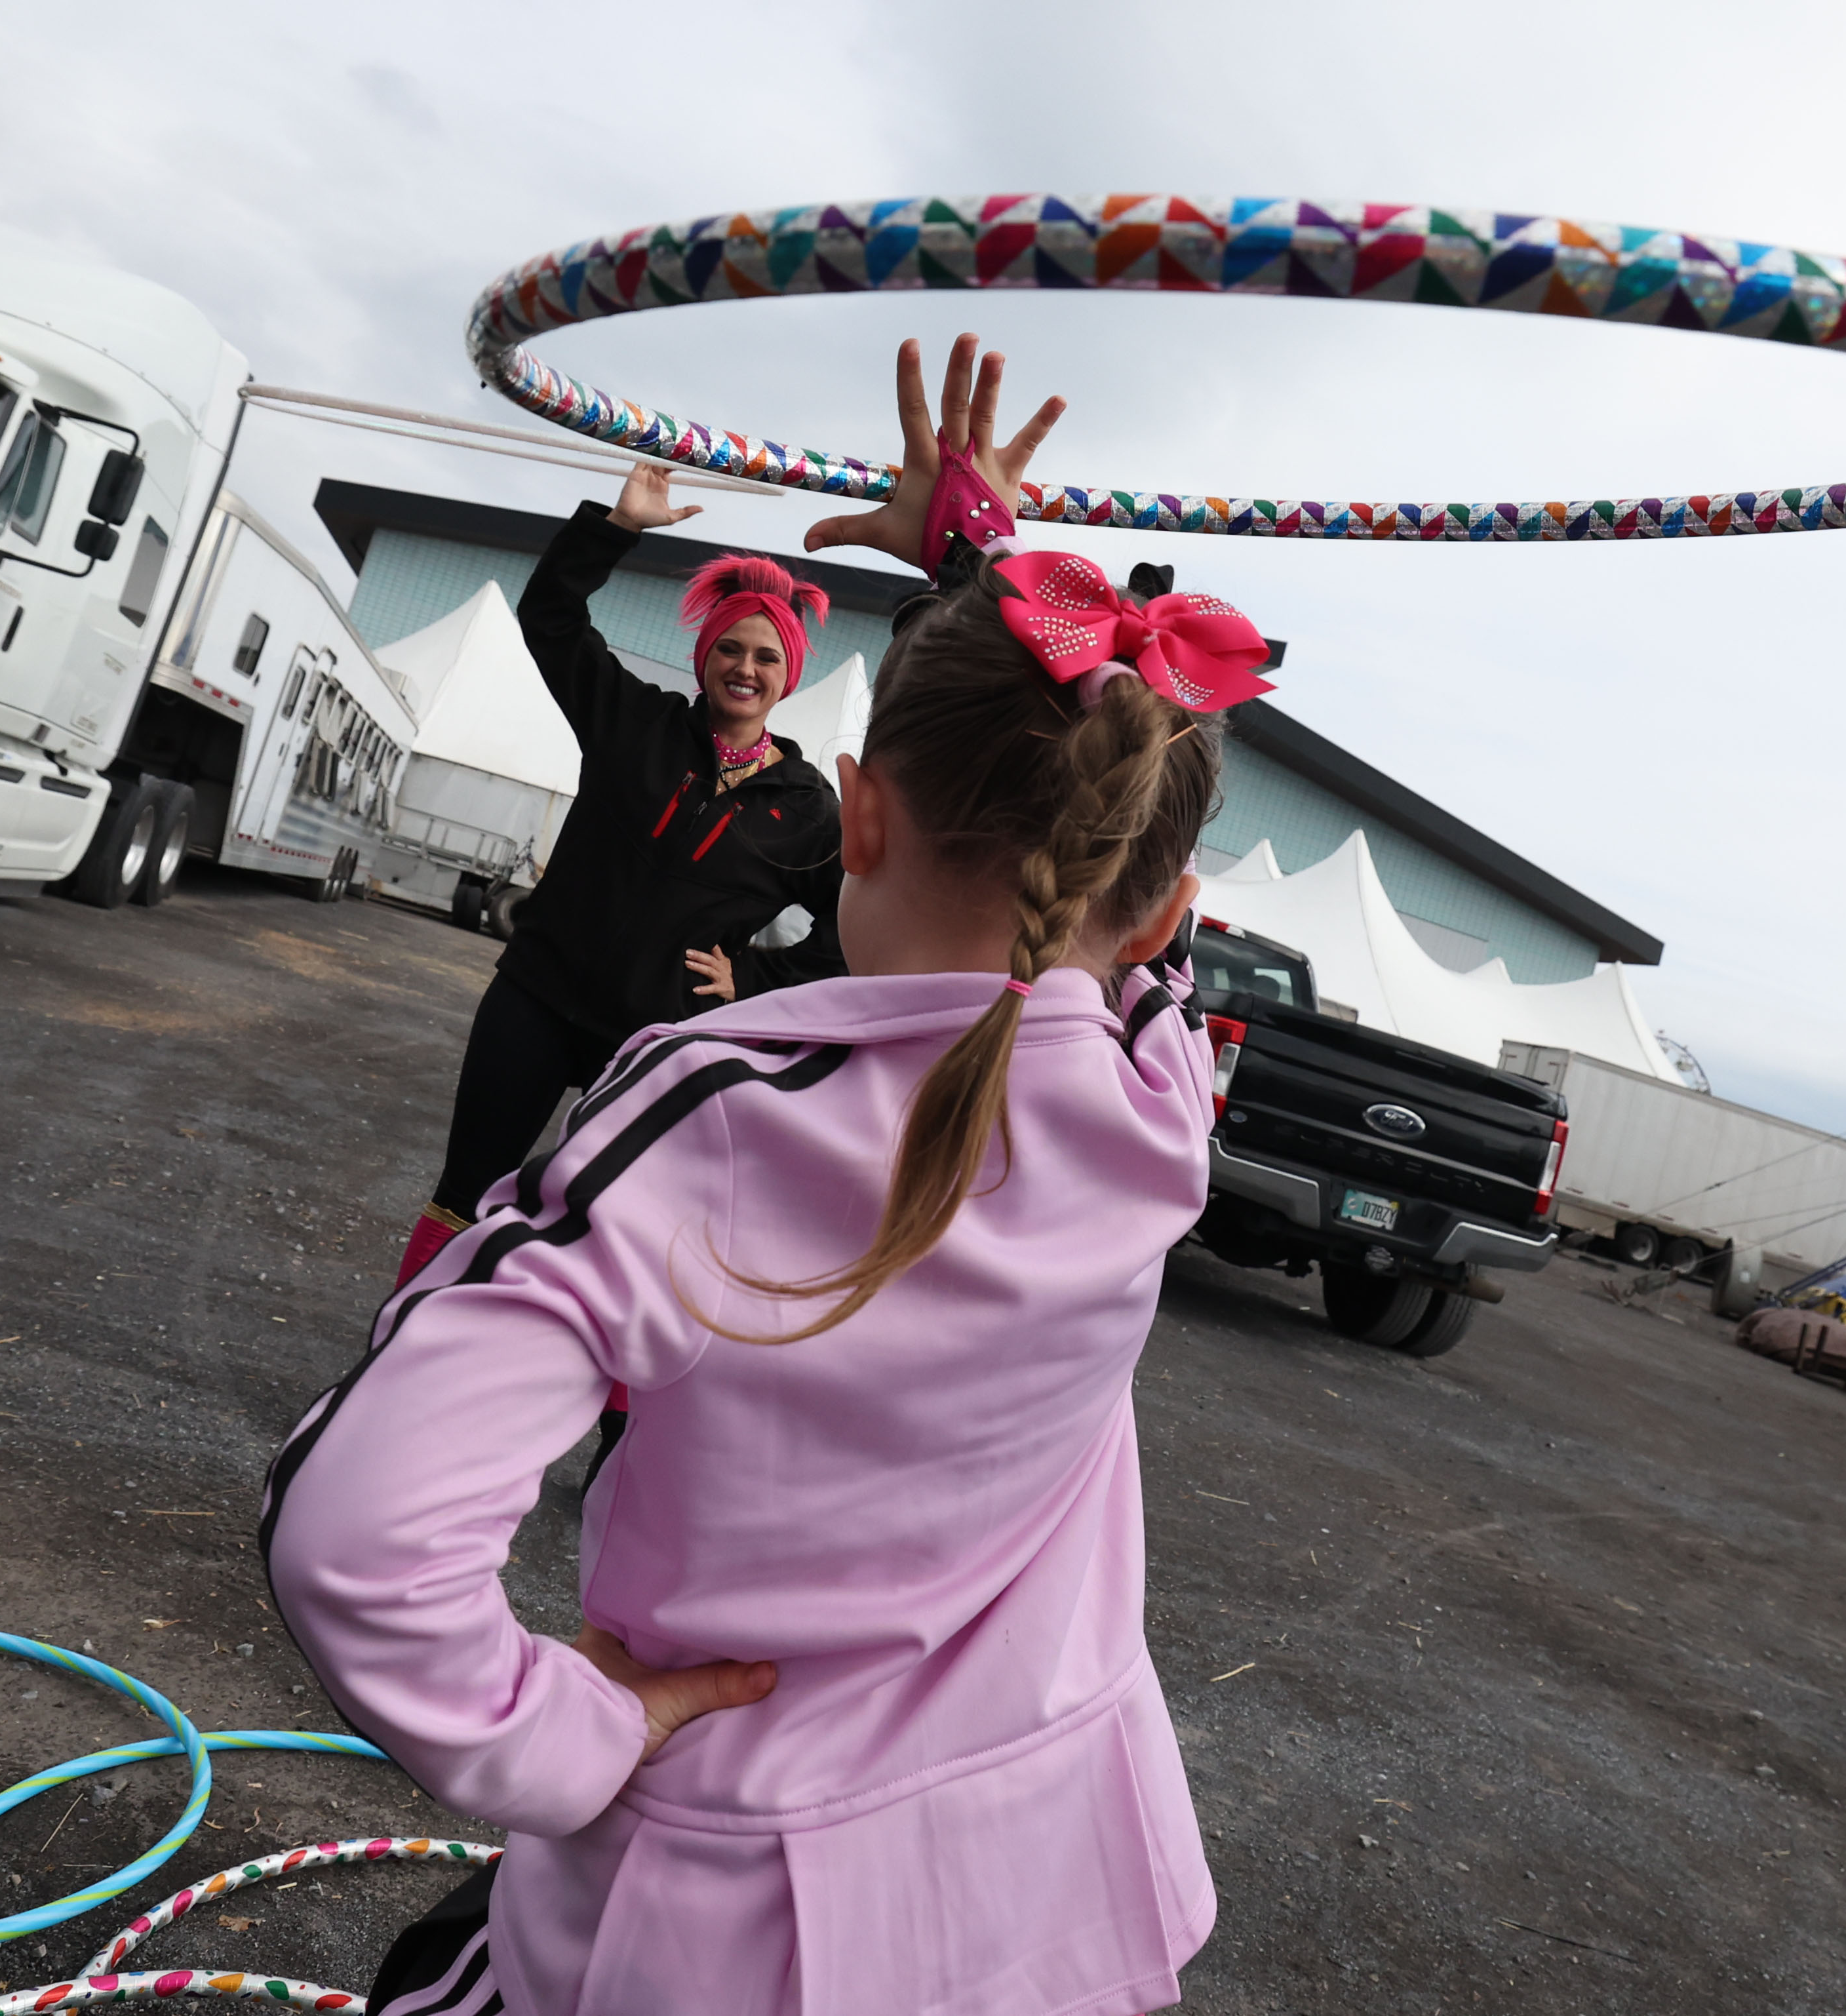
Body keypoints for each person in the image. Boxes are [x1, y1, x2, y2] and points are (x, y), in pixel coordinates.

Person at [262, 334, 1277, 2016]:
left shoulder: (719, 1112)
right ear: (1165, 917)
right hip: (1045, 1883)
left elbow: (356, 1539)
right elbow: (1105, 873)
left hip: (730, 1913)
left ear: (853, 816)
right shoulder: (1164, 1108)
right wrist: (980, 558)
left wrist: (561, 1729)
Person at [393, 474, 848, 1290]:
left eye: (766, 656)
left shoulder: (812, 809)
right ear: (703, 655)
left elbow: (853, 928)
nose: (745, 668)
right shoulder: (632, 722)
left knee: (616, 1234)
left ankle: (615, 1420)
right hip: (536, 998)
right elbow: (552, 620)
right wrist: (615, 529)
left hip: (652, 1043)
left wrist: (754, 977)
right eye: (730, 649)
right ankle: (403, 1350)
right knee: (464, 1196)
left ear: (790, 675)